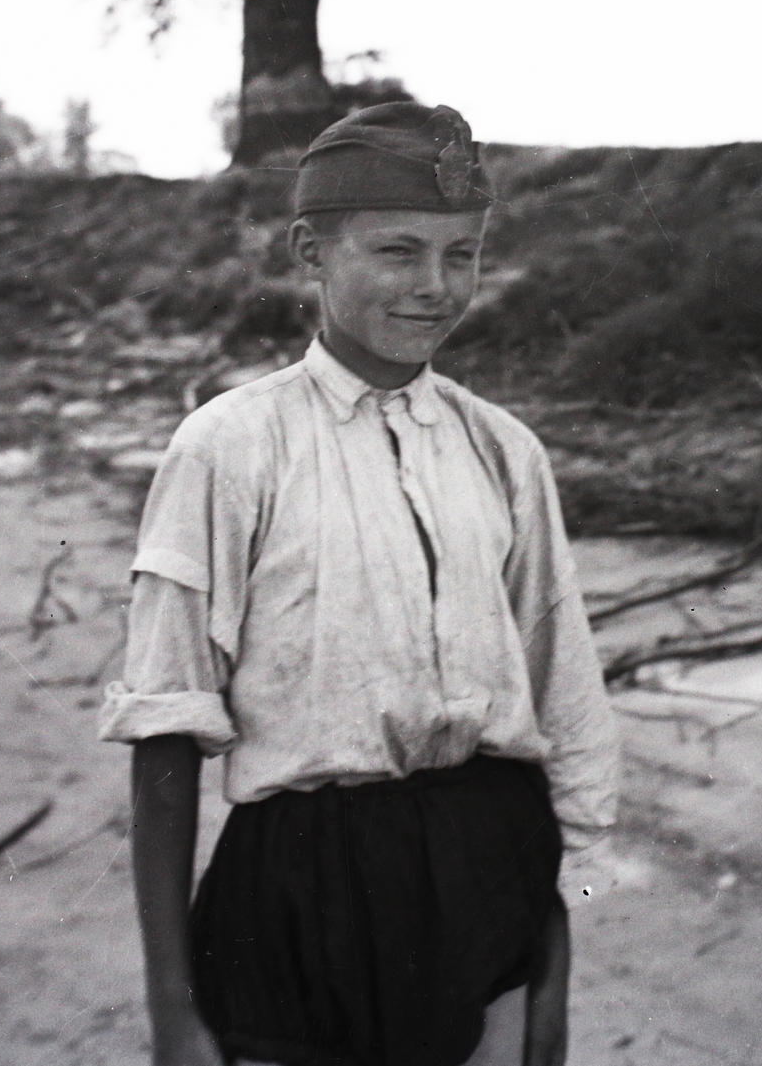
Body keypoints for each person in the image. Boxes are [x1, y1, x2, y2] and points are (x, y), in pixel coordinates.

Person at [98, 101, 618, 1066]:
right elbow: (165, 735)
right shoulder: (229, 447)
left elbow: (567, 706)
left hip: (489, 872)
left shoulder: (503, 451)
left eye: (461, 253)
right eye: (398, 250)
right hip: (301, 895)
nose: (435, 285)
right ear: (310, 249)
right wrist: (173, 1011)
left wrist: (556, 958)